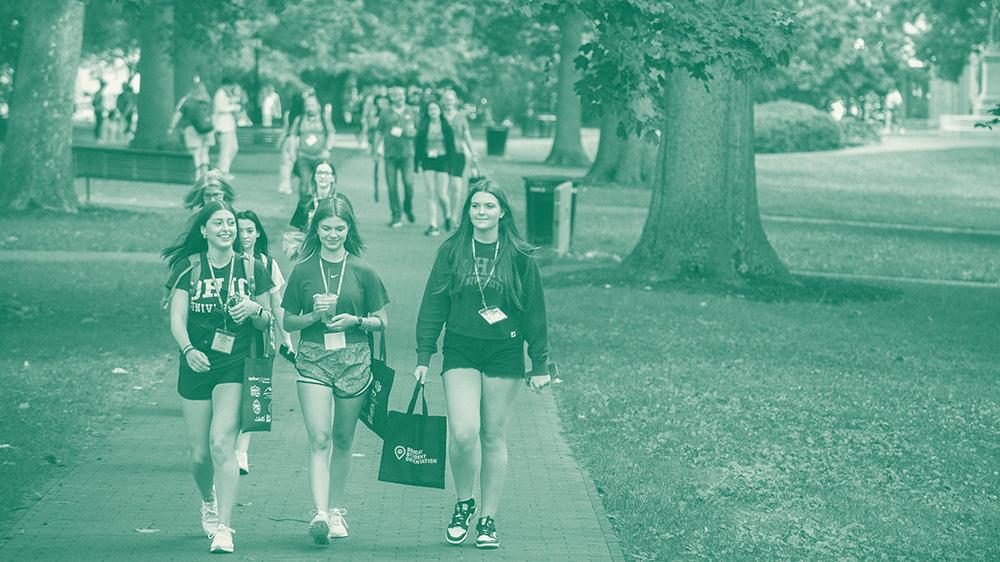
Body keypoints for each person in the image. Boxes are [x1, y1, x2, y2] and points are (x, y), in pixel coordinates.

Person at [413, 179, 553, 550]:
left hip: (504, 352)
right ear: (468, 211)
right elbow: (433, 304)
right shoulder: (453, 250)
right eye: (476, 206)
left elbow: (534, 312)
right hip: (460, 349)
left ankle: (487, 518)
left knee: (492, 435)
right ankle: (464, 503)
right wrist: (423, 356)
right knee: (463, 432)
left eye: (489, 206)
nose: (481, 212)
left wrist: (540, 363)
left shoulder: (519, 256)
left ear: (502, 212)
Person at [162, 201, 275, 554]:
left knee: (221, 444)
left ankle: (224, 527)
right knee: (199, 457)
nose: (227, 228)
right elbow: (177, 318)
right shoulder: (189, 268)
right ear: (204, 230)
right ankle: (207, 500)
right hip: (196, 363)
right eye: (219, 223)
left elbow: (268, 320)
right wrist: (187, 350)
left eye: (231, 223)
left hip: (235, 365)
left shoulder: (253, 268)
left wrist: (256, 309)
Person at [281, 195, 389, 545]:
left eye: (339, 228)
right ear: (316, 229)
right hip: (313, 356)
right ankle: (320, 513)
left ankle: (337, 507)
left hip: (354, 358)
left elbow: (381, 321)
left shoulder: (363, 270)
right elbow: (287, 319)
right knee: (319, 437)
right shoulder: (302, 269)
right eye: (326, 228)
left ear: (349, 229)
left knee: (343, 439)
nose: (333, 234)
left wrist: (354, 320)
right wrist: (313, 316)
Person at [234, 209, 296, 476]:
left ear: (258, 232)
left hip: (259, 341)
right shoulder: (226, 260)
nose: (245, 235)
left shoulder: (268, 264)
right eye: (240, 230)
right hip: (229, 340)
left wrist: (288, 339)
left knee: (252, 395)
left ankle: (241, 451)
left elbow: (277, 305)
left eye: (250, 230)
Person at [373, 86, 418, 228]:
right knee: (392, 186)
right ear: (391, 97)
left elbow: (419, 131)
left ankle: (407, 207)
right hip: (390, 155)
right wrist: (375, 151)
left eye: (402, 94)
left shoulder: (412, 112)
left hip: (407, 154)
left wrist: (414, 132)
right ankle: (396, 215)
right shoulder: (385, 113)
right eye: (397, 95)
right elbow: (378, 132)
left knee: (409, 184)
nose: (400, 97)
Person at [415, 99, 456, 236]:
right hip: (428, 161)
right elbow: (418, 146)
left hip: (443, 160)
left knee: (442, 193)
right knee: (430, 192)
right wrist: (417, 164)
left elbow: (452, 147)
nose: (433, 112)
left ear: (440, 111)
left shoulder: (446, 126)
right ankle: (433, 224)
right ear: (427, 112)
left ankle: (448, 216)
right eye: (430, 109)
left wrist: (452, 165)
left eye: (435, 109)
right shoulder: (424, 126)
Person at [283, 160, 338, 258]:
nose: (322, 176)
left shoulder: (339, 202)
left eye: (326, 173)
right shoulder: (305, 202)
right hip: (309, 253)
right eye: (319, 172)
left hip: (333, 251)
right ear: (314, 177)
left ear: (333, 178)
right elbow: (294, 231)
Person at [441, 90, 478, 226]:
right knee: (442, 191)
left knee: (456, 187)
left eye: (450, 99)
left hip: (458, 155)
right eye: (446, 99)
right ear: (442, 101)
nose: (448, 102)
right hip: (442, 155)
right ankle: (447, 213)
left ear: (455, 101)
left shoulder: (461, 117)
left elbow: (466, 135)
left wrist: (473, 151)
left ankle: (454, 217)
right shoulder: (439, 116)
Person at [169, 79, 216, 178]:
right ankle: (205, 175)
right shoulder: (207, 100)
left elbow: (178, 114)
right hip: (208, 129)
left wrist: (171, 127)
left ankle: (198, 175)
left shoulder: (186, 100)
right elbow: (212, 115)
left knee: (196, 153)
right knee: (205, 153)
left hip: (191, 129)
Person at [292, 96, 336, 202]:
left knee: (322, 183)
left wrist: (328, 149)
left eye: (312, 105)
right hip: (304, 157)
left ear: (318, 106)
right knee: (304, 183)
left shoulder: (324, 119)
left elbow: (331, 133)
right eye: (307, 105)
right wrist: (293, 152)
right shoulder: (299, 120)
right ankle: (303, 208)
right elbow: (293, 136)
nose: (309, 108)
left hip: (320, 157)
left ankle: (322, 207)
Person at [213, 77, 243, 180]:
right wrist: (234, 107)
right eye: (230, 86)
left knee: (234, 148)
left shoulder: (225, 94)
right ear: (226, 85)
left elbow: (231, 101)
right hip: (223, 126)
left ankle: (222, 168)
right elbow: (220, 108)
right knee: (226, 149)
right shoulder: (220, 94)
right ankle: (223, 171)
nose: (231, 88)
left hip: (229, 126)